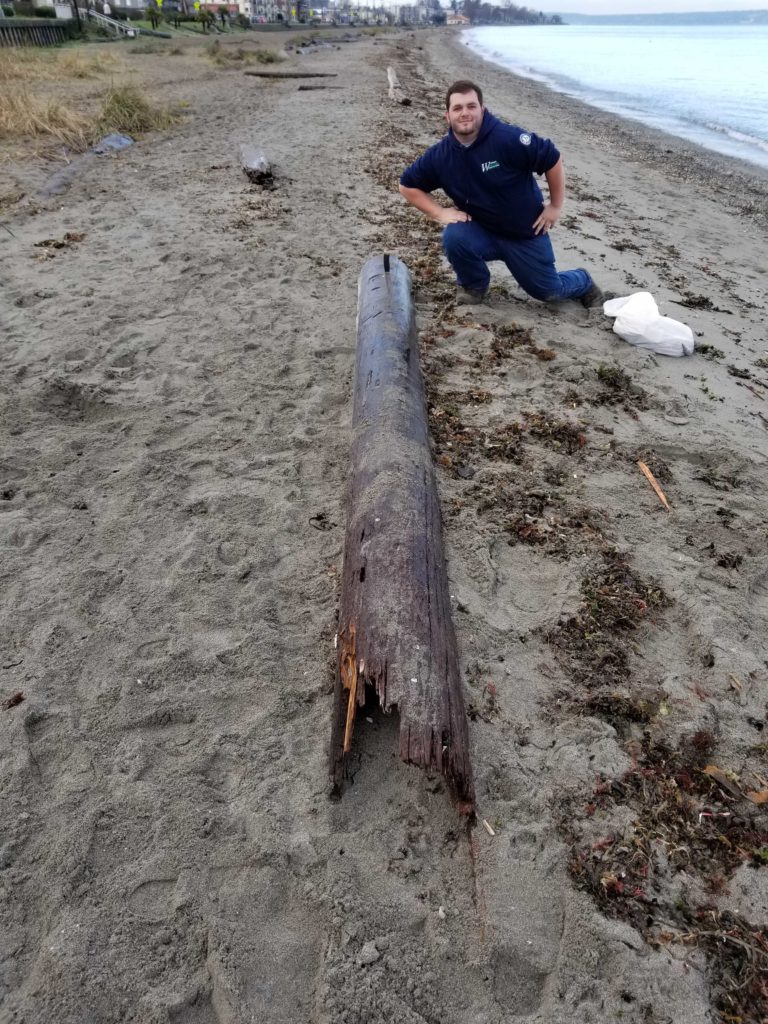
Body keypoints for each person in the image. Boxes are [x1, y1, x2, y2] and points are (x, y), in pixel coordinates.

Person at [399, 79, 605, 308]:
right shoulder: (440, 156)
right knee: (454, 236)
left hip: (524, 235)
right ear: (447, 116)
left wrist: (555, 206)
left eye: (471, 106)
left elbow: (552, 158)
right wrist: (439, 213)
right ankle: (473, 285)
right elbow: (407, 185)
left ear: (482, 110)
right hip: (481, 232)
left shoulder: (507, 138)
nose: (464, 113)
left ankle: (584, 281)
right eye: (457, 108)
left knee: (549, 292)